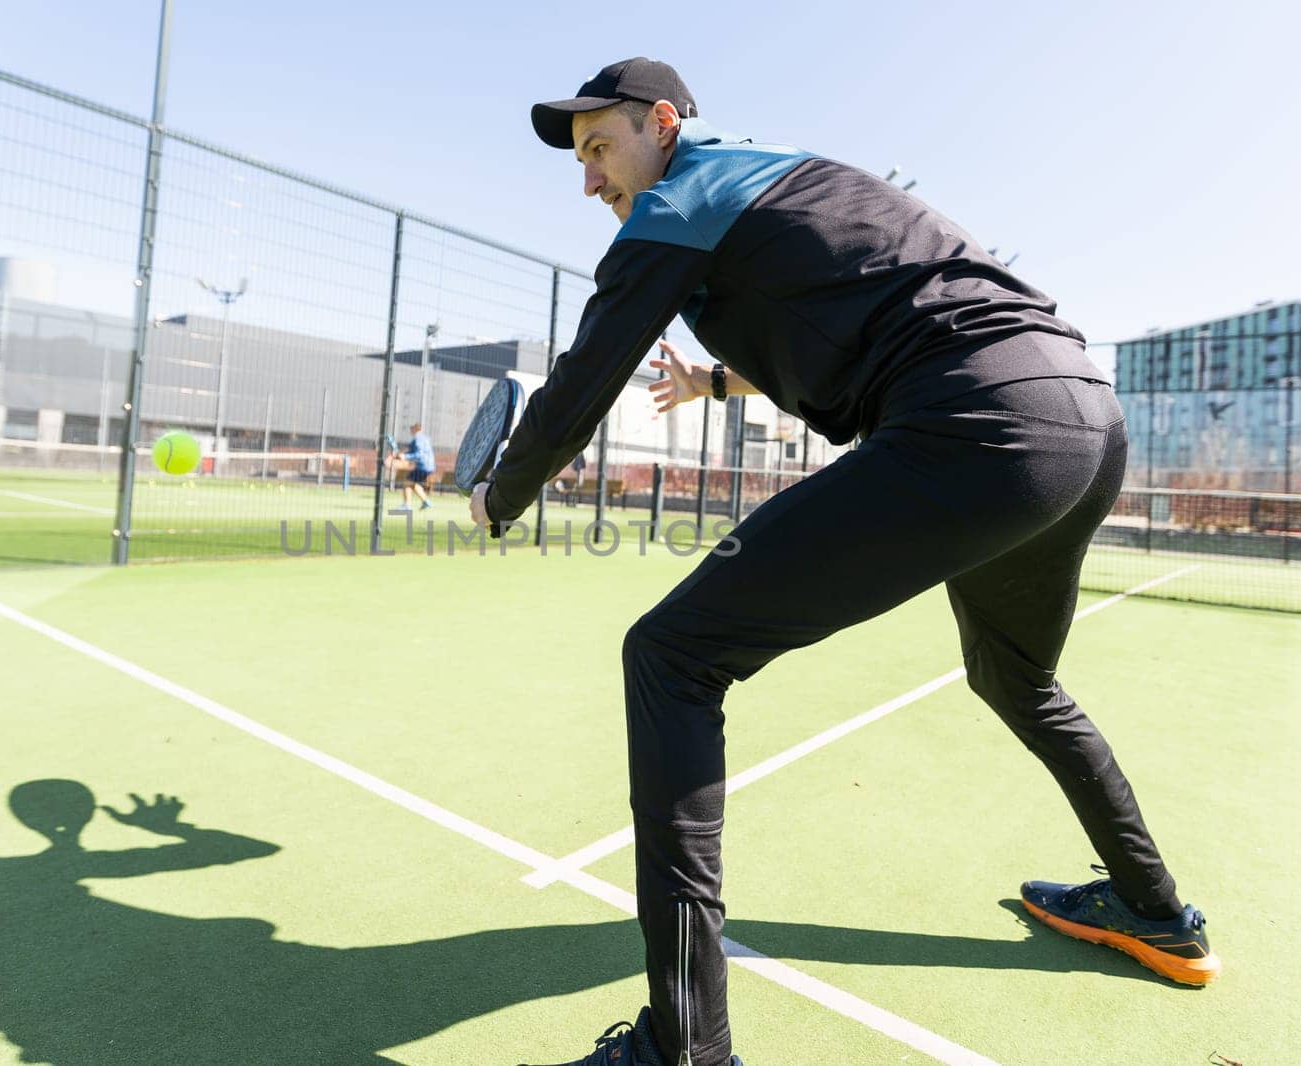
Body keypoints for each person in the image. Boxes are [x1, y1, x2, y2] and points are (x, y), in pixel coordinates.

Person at [470, 58, 1219, 1066]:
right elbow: (858, 310)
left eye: (599, 147)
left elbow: (583, 377)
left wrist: (499, 493)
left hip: (974, 427)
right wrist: (718, 384)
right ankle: (1157, 914)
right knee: (1016, 676)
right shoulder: (782, 176)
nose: (590, 178)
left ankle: (682, 1050)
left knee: (672, 654)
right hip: (1076, 415)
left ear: (661, 123)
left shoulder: (679, 198)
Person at [390, 421, 435, 512]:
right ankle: (426, 501)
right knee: (412, 484)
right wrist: (401, 454)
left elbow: (419, 454)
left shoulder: (418, 438)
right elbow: (412, 451)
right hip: (429, 466)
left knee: (407, 482)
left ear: (415, 429)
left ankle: (407, 505)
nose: (410, 430)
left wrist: (405, 456)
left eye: (412, 428)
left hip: (423, 466)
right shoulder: (424, 438)